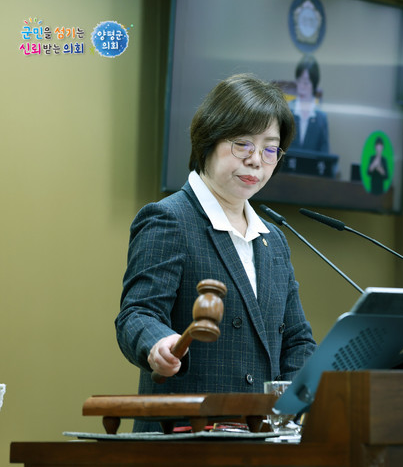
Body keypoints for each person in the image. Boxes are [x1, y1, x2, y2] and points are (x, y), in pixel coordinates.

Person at [116, 74, 317, 432]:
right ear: (209, 138)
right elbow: (137, 313)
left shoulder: (272, 239)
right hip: (185, 438)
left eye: (270, 149)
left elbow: (297, 340)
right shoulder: (169, 219)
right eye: (243, 144)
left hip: (261, 440)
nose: (257, 161)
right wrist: (157, 343)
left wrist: (291, 412)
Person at [288, 55, 329, 154]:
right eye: (299, 81)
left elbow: (325, 153)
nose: (301, 87)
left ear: (314, 85)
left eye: (306, 83)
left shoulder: (321, 117)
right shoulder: (287, 110)